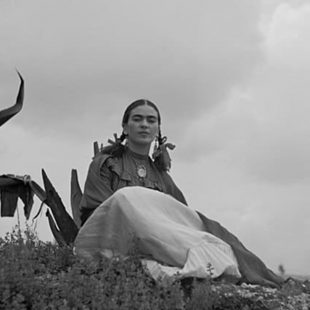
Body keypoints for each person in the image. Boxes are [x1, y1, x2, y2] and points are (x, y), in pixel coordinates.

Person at [76, 99, 283, 287]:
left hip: (156, 243)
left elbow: (178, 220)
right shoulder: (106, 164)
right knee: (125, 198)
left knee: (220, 250)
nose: (144, 125)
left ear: (158, 129)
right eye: (137, 119)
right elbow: (98, 214)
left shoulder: (162, 176)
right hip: (113, 240)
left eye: (151, 120)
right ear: (125, 127)